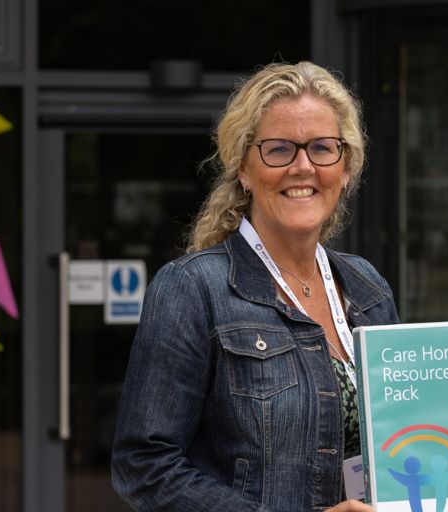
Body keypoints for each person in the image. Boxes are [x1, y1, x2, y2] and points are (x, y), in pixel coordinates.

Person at [111, 62, 399, 512]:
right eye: (279, 149)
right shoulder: (193, 289)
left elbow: (403, 434)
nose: (303, 167)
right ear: (243, 169)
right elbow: (144, 466)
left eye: (322, 148)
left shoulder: (368, 287)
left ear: (345, 168)